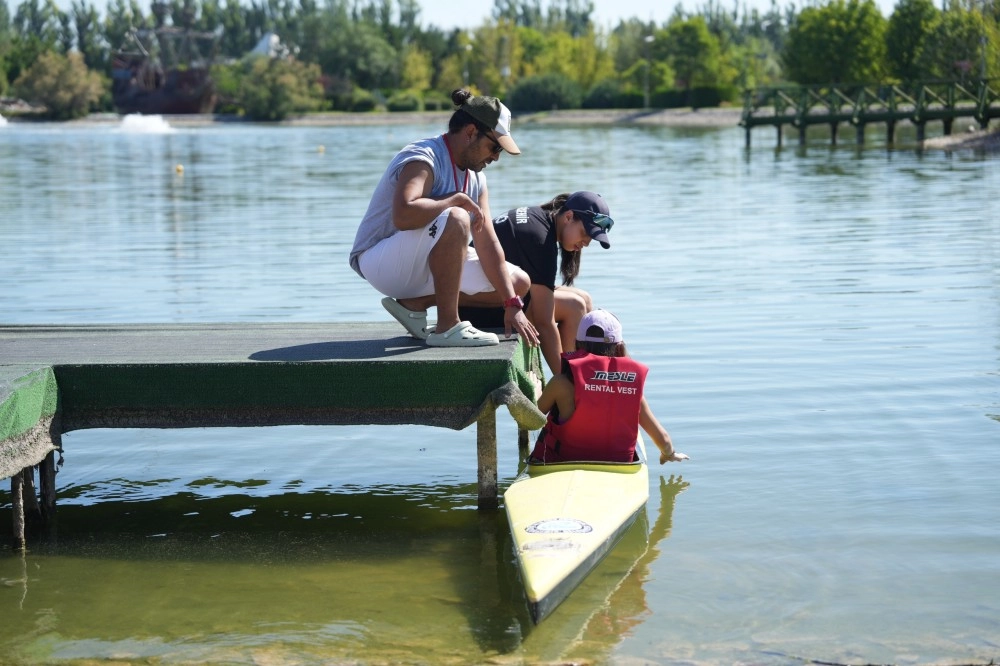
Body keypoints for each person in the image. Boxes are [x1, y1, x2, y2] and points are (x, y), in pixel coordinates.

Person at [349, 89, 540, 348]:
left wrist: (512, 304)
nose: (496, 157)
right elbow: (404, 215)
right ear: (471, 132)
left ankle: (414, 305)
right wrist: (453, 199)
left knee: (517, 284)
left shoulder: (477, 179)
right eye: (494, 147)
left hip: (421, 265)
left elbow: (487, 243)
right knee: (457, 216)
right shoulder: (424, 157)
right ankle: (447, 326)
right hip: (379, 260)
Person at [460, 191, 612, 375]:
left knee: (584, 298)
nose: (587, 242)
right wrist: (562, 381)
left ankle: (584, 372)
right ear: (569, 217)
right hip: (481, 311)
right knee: (574, 306)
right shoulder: (541, 240)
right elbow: (544, 323)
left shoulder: (539, 218)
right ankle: (572, 381)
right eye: (585, 233)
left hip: (486, 293)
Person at [530, 309, 688, 465]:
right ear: (620, 347)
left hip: (564, 462)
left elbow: (531, 421)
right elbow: (664, 439)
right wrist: (669, 454)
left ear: (577, 343)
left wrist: (536, 390)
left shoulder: (561, 383)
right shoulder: (632, 388)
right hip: (620, 466)